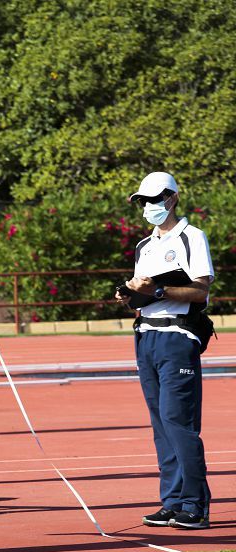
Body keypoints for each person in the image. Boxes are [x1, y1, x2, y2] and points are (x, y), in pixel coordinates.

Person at [116, 172, 214, 530]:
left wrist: (158, 291)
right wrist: (130, 296)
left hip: (177, 337)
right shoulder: (144, 246)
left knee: (178, 421)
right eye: (143, 201)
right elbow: (143, 297)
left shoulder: (191, 236)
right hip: (145, 335)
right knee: (160, 425)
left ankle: (194, 504)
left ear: (172, 198)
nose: (148, 207)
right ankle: (172, 502)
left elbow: (200, 291)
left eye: (154, 200)